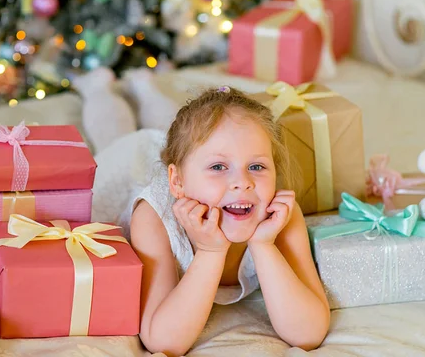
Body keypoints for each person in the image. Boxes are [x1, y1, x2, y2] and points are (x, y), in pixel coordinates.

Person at [128, 86, 330, 356]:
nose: (242, 183)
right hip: (128, 167)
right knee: (132, 137)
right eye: (218, 167)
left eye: (256, 167)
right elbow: (162, 341)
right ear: (177, 181)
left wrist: (264, 245)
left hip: (182, 159)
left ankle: (150, 95)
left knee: (170, 129)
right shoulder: (153, 218)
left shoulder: (280, 216)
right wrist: (212, 251)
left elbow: (309, 333)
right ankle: (129, 89)